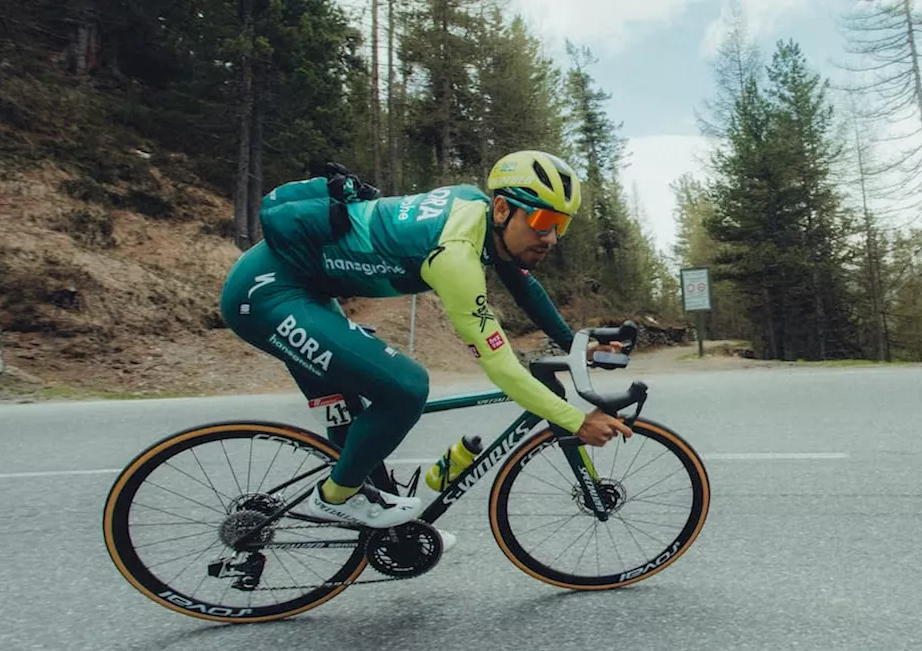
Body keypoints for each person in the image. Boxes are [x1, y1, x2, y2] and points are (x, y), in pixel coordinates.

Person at [218, 150, 633, 545]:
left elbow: (522, 281)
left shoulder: (475, 209)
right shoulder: (455, 258)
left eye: (562, 224)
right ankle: (333, 498)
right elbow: (503, 368)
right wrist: (575, 421)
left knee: (350, 409)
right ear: (504, 209)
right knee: (406, 387)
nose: (552, 236)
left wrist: (574, 341)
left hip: (302, 288)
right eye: (543, 220)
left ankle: (391, 534)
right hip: (265, 296)